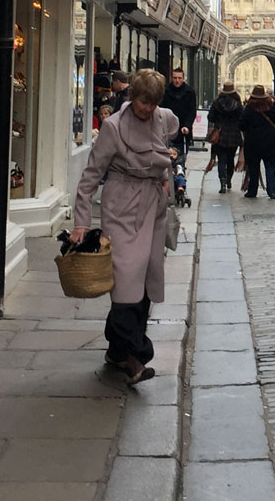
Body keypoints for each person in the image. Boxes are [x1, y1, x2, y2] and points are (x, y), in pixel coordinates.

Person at [71, 69, 178, 385]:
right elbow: (90, 176)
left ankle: (117, 351)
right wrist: (80, 223)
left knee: (143, 280)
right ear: (133, 97)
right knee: (124, 281)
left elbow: (174, 127)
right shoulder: (113, 128)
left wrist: (166, 176)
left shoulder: (162, 117)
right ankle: (137, 357)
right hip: (121, 206)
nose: (148, 109)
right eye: (144, 102)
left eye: (153, 104)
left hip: (151, 207)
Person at [240, 85, 275, 199]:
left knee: (254, 167)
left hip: (253, 142)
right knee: (270, 166)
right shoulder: (270, 106)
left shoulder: (249, 108)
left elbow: (242, 125)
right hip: (269, 142)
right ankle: (272, 191)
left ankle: (252, 191)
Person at [207, 81, 244, 194]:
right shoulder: (238, 103)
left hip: (220, 134)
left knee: (221, 159)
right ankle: (228, 179)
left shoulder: (217, 102)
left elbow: (211, 117)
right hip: (234, 135)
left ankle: (222, 182)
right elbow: (242, 118)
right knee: (230, 159)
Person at [161, 66, 197, 166]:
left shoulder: (189, 92)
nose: (177, 80)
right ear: (171, 78)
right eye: (175, 78)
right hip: (167, 130)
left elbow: (192, 111)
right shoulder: (165, 91)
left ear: (183, 78)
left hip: (183, 130)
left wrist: (187, 126)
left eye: (179, 78)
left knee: (180, 157)